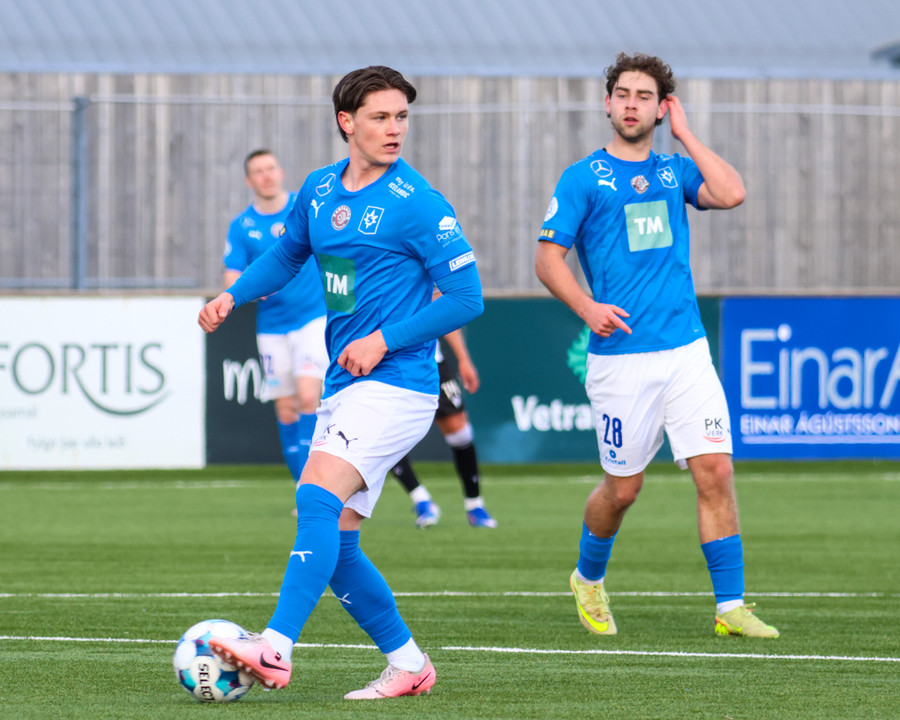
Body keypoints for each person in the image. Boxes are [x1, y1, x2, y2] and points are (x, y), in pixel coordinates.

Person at [198, 65, 483, 699]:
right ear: (346, 122)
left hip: (399, 384)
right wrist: (233, 295)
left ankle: (274, 648)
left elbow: (468, 297)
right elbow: (286, 255)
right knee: (339, 545)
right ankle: (409, 665)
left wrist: (384, 339)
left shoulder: (419, 203)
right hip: (346, 385)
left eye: (401, 117)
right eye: (381, 117)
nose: (395, 128)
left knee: (315, 501)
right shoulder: (320, 188)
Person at [535, 53, 778, 639]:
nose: (631, 104)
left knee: (715, 469)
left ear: (661, 107)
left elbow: (732, 193)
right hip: (621, 358)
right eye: (622, 94)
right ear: (607, 102)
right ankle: (588, 577)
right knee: (624, 490)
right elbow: (547, 260)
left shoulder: (675, 171)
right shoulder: (582, 178)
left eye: (644, 96)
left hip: (686, 351)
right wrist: (587, 307)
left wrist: (687, 134)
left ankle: (730, 607)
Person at [224, 149, 327, 486]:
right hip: (271, 327)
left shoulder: (304, 208)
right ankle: (302, 487)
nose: (266, 176)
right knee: (286, 409)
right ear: (248, 181)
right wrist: (251, 288)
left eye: (271, 168)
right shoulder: (242, 226)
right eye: (258, 171)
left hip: (313, 318)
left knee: (309, 397)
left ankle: (313, 487)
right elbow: (232, 275)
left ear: (280, 172)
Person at [390, 325, 497, 528]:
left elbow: (442, 312)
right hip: (390, 365)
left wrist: (464, 359)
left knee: (460, 433)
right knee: (386, 436)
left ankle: (475, 505)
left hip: (431, 361)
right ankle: (422, 500)